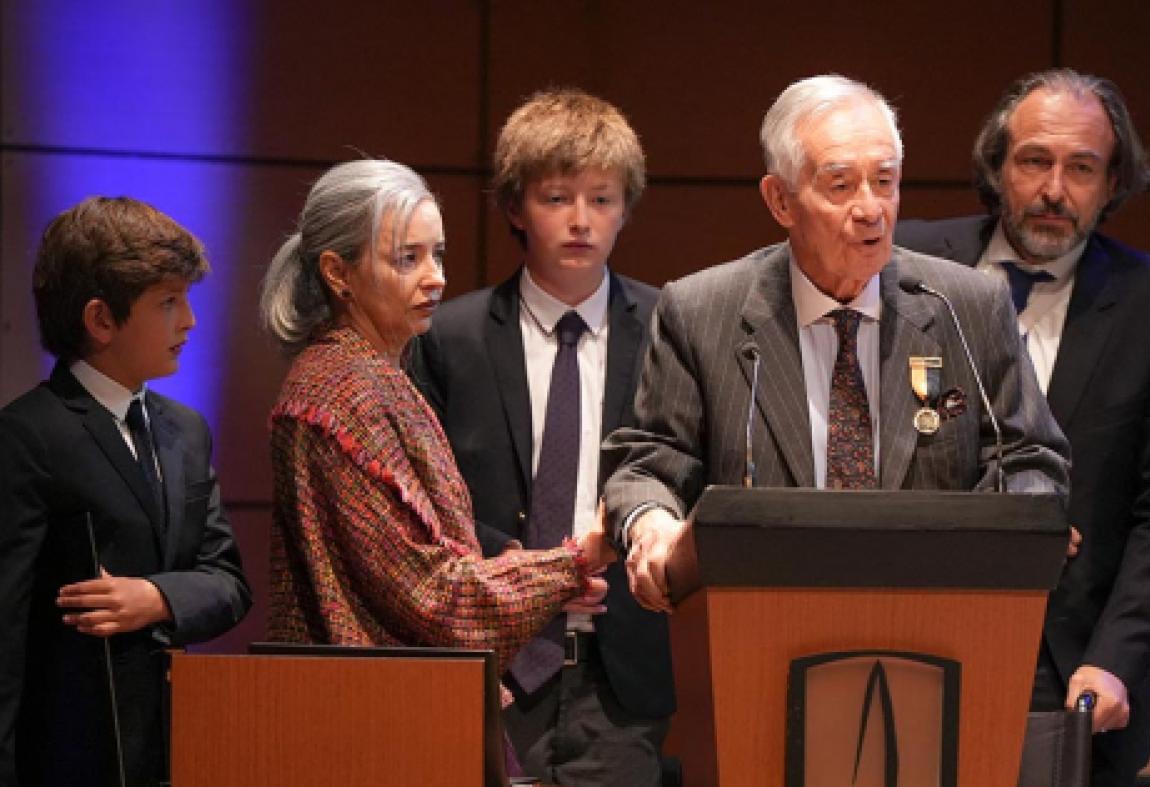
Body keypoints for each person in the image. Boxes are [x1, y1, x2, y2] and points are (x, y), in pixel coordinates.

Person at [602, 74, 1070, 613]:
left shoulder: (966, 306)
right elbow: (650, 463)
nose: (871, 209)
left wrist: (1004, 529)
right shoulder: (704, 312)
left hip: (934, 618)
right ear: (780, 200)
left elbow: (1030, 455)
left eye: (885, 181)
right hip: (760, 623)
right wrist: (652, 524)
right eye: (841, 185)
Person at [895, 69, 1150, 785]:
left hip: (1069, 654)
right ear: (996, 165)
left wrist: (1117, 655)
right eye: (1035, 160)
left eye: (1082, 167)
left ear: (1114, 180)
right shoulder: (906, 264)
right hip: (907, 620)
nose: (1054, 190)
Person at [259, 160, 612, 720]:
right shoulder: (342, 391)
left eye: (438, 253)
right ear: (337, 272)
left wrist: (529, 569)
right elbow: (432, 597)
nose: (436, 277)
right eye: (407, 258)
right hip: (371, 720)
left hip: (395, 707)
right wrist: (574, 561)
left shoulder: (374, 376)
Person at [409, 89, 671, 786]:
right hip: (492, 655)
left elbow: (692, 467)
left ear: (626, 210)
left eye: (603, 199)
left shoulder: (673, 326)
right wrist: (525, 568)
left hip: (625, 664)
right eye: (557, 197)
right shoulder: (449, 336)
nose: (582, 220)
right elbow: (427, 497)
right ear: (515, 207)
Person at [0, 197, 252, 787]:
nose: (188, 321)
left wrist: (156, 598)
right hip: (68, 754)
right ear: (101, 320)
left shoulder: (186, 430)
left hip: (175, 749)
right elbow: (5, 637)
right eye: (168, 302)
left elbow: (230, 582)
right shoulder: (25, 437)